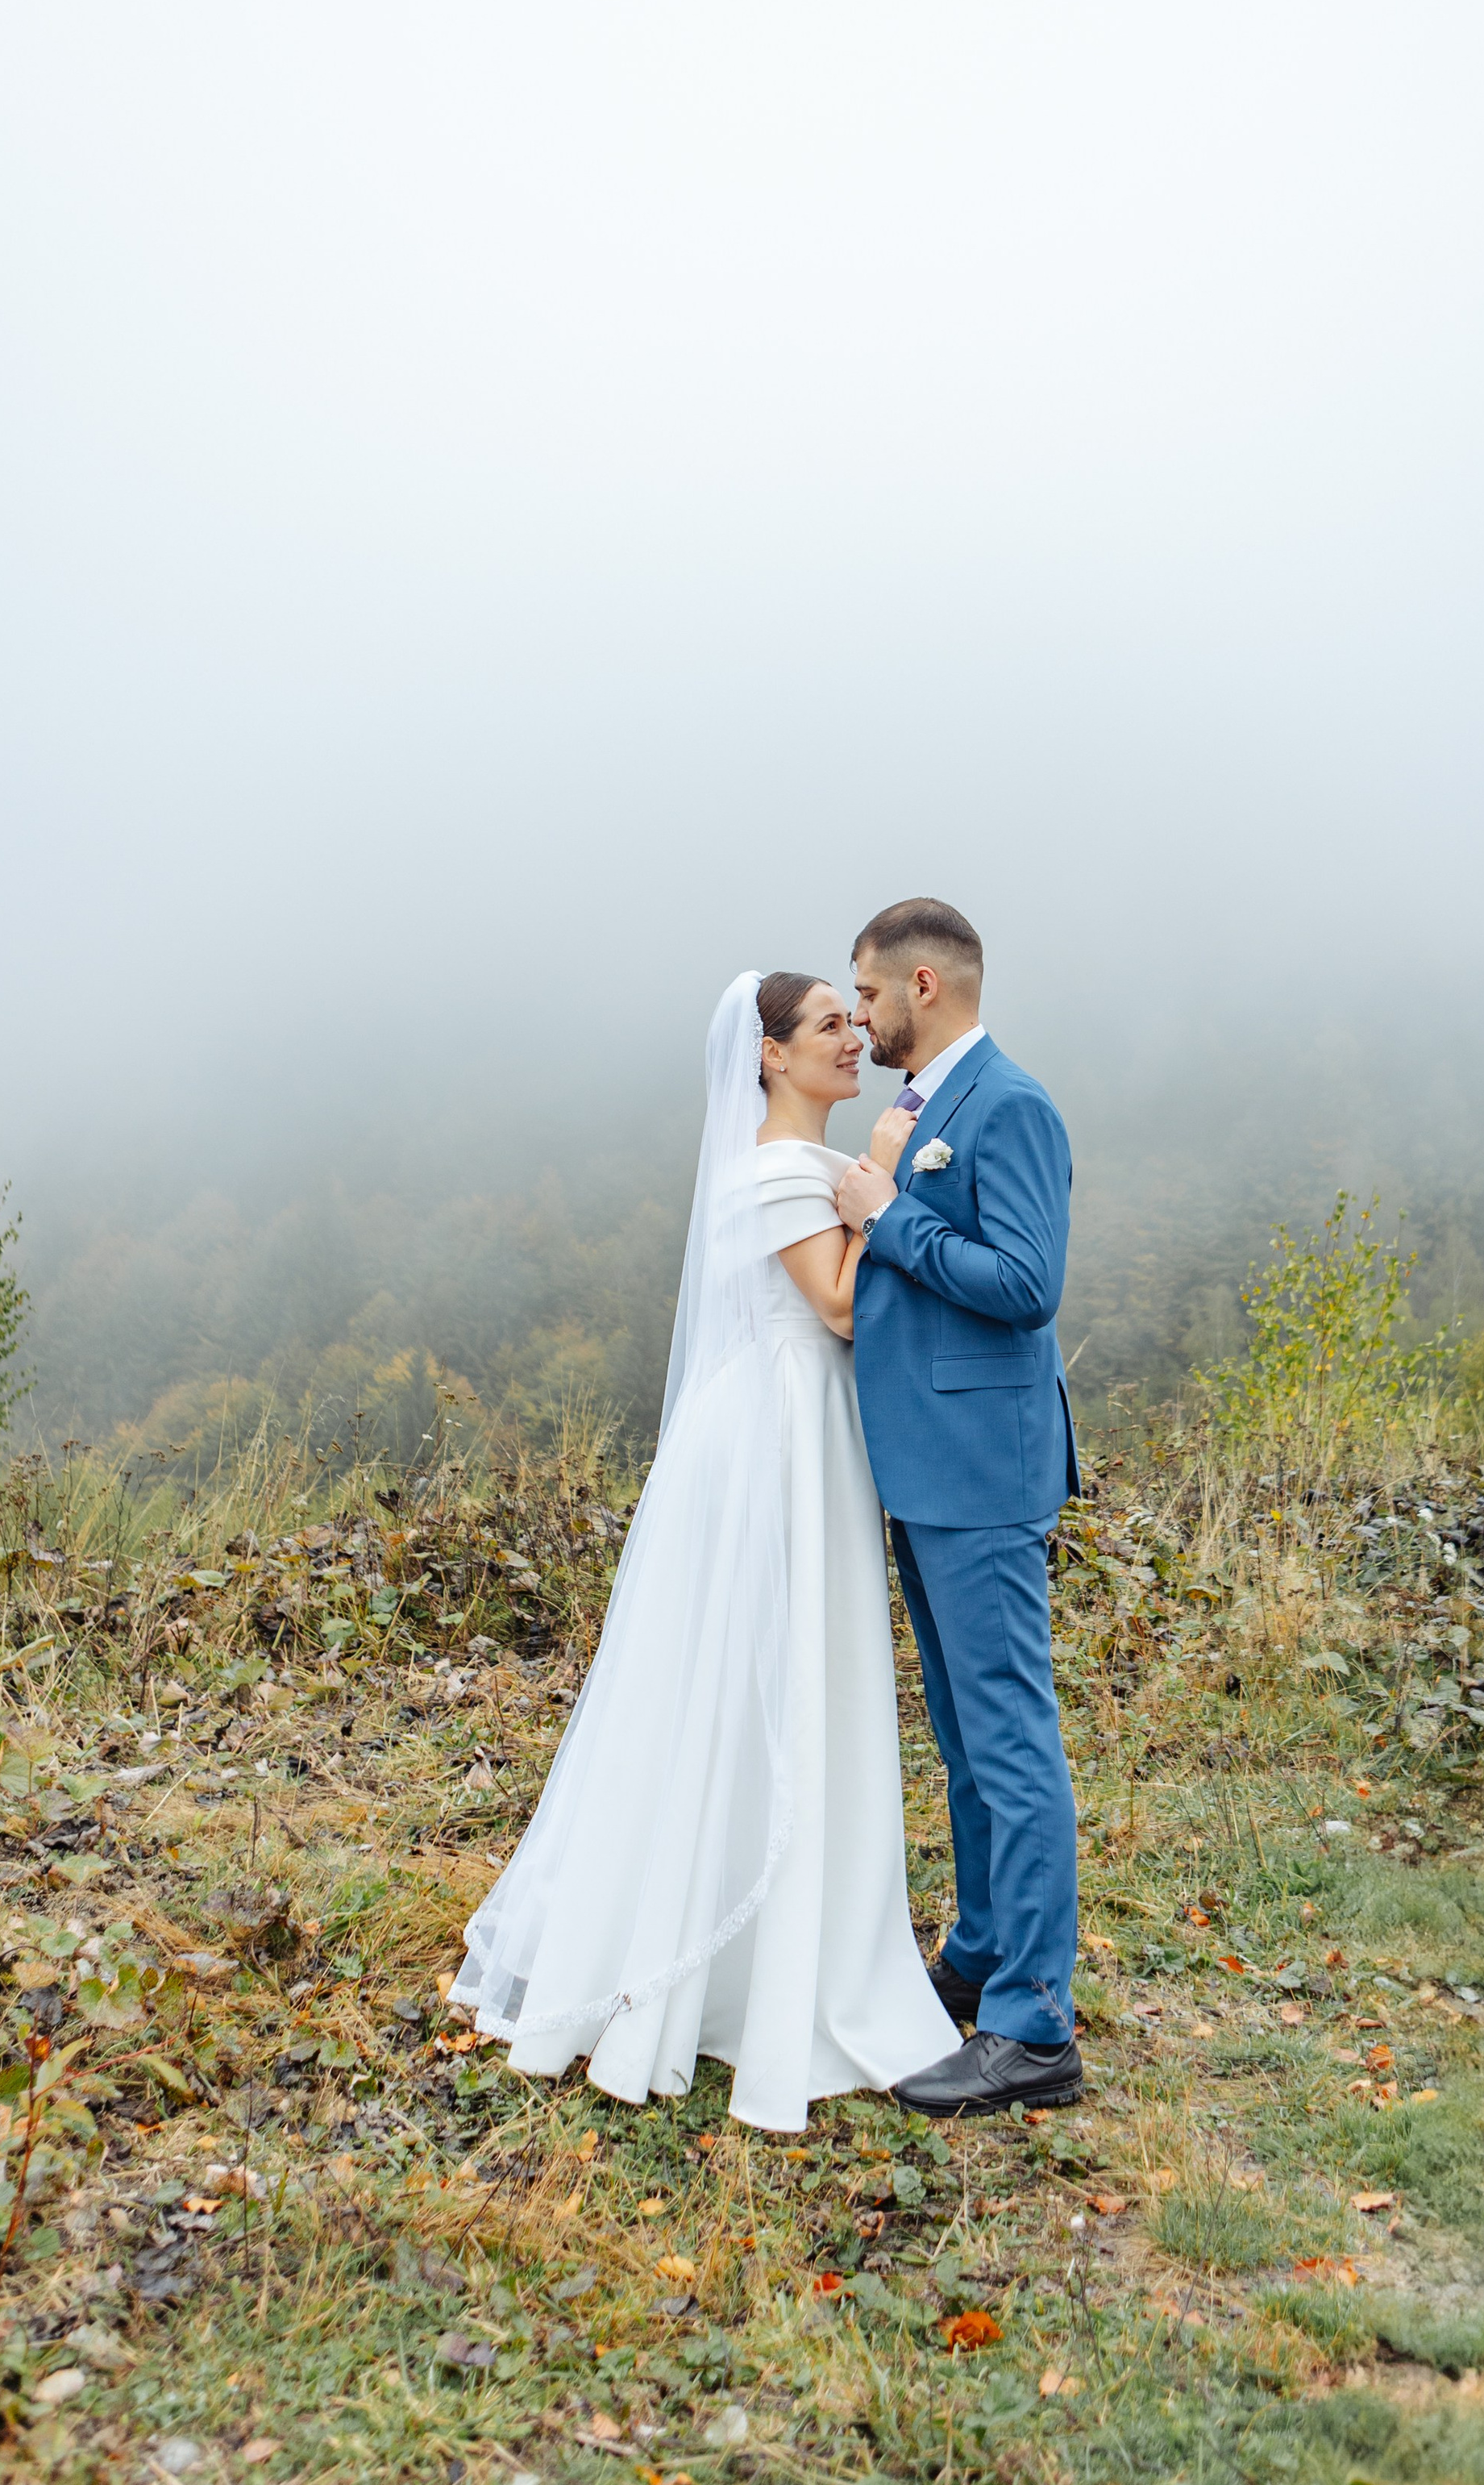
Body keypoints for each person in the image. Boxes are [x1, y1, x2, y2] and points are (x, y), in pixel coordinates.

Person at [448, 969, 958, 2131]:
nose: (852, 1036)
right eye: (828, 1024)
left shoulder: (818, 1168)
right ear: (771, 1055)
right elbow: (834, 1305)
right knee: (751, 1675)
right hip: (775, 1436)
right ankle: (718, 1958)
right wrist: (879, 1176)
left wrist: (869, 1181)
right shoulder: (780, 1171)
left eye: (851, 1018)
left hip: (814, 1430)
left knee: (796, 1670)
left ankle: (803, 1936)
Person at [837, 897, 1083, 2117]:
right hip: (930, 1469)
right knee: (963, 1734)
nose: (864, 1018)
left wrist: (891, 1222)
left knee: (1010, 1737)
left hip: (984, 1470)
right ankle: (980, 1957)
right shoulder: (924, 1109)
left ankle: (1036, 2028)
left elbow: (1027, 1287)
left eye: (871, 996)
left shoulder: (1012, 1106)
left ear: (924, 984)